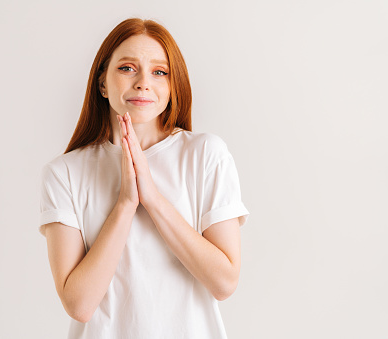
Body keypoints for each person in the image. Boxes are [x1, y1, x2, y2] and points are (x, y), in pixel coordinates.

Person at [39, 17, 250, 339]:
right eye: (126, 68)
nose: (142, 82)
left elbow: (224, 282)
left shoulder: (206, 154)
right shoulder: (64, 173)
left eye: (159, 72)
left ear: (172, 86)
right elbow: (79, 304)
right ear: (103, 83)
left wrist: (152, 198)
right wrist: (125, 204)